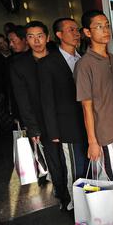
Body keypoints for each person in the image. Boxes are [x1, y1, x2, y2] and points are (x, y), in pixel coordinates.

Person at [74, 10, 113, 188]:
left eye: (107, 25)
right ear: (87, 32)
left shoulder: (112, 59)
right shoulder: (84, 65)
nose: (105, 30)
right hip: (105, 134)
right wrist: (92, 142)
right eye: (99, 27)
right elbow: (86, 108)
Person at [38, 18, 89, 211]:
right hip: (67, 126)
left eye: (77, 30)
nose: (76, 33)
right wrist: (53, 131)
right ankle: (76, 207)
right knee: (75, 168)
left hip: (89, 123)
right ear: (59, 35)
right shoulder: (47, 64)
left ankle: (93, 205)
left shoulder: (84, 57)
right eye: (71, 30)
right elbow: (47, 100)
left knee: (90, 165)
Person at [9, 21, 51, 187]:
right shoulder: (19, 65)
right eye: (31, 37)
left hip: (63, 118)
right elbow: (22, 99)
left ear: (47, 38)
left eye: (40, 36)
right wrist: (32, 126)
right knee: (48, 156)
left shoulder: (57, 57)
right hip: (39, 119)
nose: (36, 41)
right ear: (26, 40)